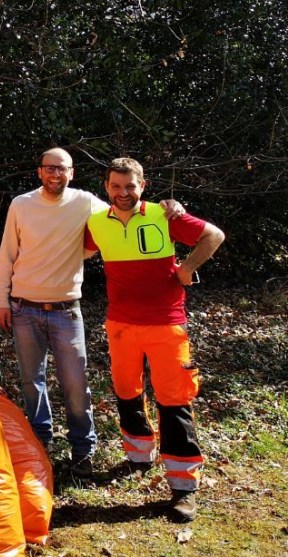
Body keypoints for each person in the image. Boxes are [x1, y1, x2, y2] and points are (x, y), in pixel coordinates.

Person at [0, 147, 182, 479]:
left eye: (62, 169)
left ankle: (83, 453)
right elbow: (7, 253)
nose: (55, 174)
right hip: (24, 308)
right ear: (40, 172)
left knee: (76, 386)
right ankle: (39, 446)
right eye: (49, 168)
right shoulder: (21, 205)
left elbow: (125, 211)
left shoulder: (86, 203)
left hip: (67, 311)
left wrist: (168, 207)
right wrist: (2, 300)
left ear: (71, 173)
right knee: (31, 383)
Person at [84, 157, 224, 522]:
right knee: (126, 391)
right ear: (106, 187)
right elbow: (73, 251)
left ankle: (183, 487)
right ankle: (138, 458)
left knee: (174, 400)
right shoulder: (97, 222)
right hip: (121, 325)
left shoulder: (164, 216)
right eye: (116, 186)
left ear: (142, 186)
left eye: (130, 186)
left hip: (166, 324)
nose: (123, 192)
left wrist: (187, 268)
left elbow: (214, 235)